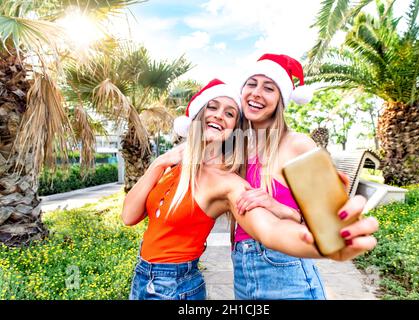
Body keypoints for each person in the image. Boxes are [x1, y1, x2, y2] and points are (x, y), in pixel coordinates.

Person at [122, 79, 328, 300]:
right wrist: (159, 163)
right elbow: (128, 216)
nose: (219, 115)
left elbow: (282, 230)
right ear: (198, 115)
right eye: (212, 107)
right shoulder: (176, 165)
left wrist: (285, 211)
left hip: (177, 286)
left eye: (230, 114)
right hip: (146, 277)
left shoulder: (229, 180)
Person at [231, 53, 379, 300]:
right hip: (243, 273)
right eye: (251, 84)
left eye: (269, 88)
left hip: (286, 274)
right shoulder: (237, 149)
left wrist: (281, 209)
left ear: (281, 100)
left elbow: (331, 227)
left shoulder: (297, 144)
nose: (256, 93)